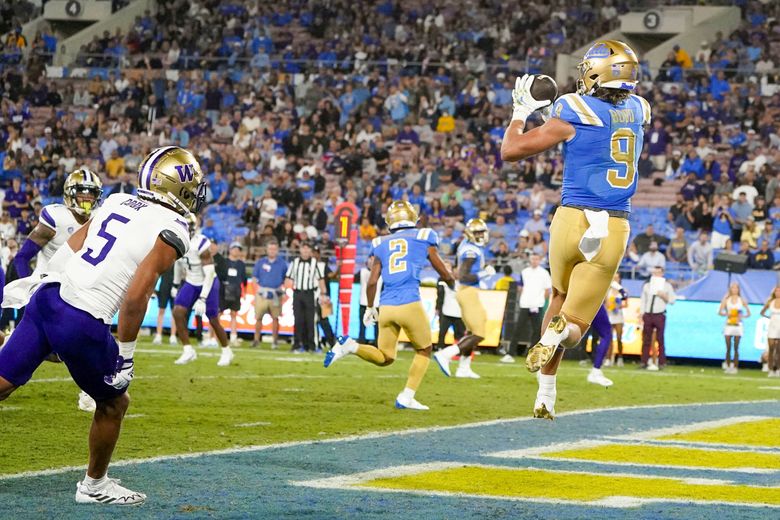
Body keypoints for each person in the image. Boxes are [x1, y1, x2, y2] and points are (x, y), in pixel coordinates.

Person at [0, 145, 203, 505]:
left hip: (48, 296)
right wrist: (126, 355)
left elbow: (74, 245)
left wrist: (44, 281)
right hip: (82, 315)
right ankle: (94, 486)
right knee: (113, 403)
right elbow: (136, 297)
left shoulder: (118, 200)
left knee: (3, 382)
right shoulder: (174, 226)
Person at [500, 39, 649, 418]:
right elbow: (603, 120)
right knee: (576, 326)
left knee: (558, 296)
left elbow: (512, 151)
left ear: (596, 71)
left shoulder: (571, 108)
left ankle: (545, 393)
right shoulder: (639, 109)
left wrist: (521, 112)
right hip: (613, 224)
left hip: (571, 217)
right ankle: (551, 366)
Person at [324, 200, 455, 410]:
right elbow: (438, 265)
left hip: (386, 307)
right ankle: (406, 396)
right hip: (410, 302)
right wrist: (451, 282)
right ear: (412, 217)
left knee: (385, 357)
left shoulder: (380, 242)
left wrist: (369, 307)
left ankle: (351, 346)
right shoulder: (423, 236)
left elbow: (373, 280)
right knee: (424, 350)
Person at [10, 168, 104, 413]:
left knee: (83, 344)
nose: (87, 200)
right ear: (69, 195)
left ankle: (90, 392)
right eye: (82, 194)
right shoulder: (56, 219)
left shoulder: (101, 221)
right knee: (41, 355)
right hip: (47, 294)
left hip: (78, 295)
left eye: (91, 195)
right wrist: (31, 286)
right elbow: (21, 258)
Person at [434, 218, 493, 379]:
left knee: (473, 330)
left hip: (466, 292)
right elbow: (464, 276)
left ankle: (464, 368)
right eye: (477, 232)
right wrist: (485, 272)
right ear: (470, 233)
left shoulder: (467, 246)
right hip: (468, 291)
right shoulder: (471, 251)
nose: (481, 235)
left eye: (482, 232)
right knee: (479, 333)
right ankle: (445, 354)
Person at [172, 221, 234, 366]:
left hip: (209, 282)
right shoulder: (176, 240)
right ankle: (188, 350)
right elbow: (178, 263)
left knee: (213, 319)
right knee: (178, 312)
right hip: (191, 281)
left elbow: (210, 272)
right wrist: (175, 284)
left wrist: (202, 298)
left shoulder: (201, 243)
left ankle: (226, 350)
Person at [505, 253, 551, 363]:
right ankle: (510, 353)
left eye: (536, 259)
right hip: (525, 304)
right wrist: (525, 297)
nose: (534, 261)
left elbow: (547, 290)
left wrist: (540, 301)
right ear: (530, 260)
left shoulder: (544, 273)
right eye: (533, 259)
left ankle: (532, 353)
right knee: (518, 329)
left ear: (540, 260)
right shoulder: (524, 272)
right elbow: (520, 287)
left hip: (537, 305)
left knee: (537, 331)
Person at [286, 242, 329, 352]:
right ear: (300, 250)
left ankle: (312, 345)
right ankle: (297, 344)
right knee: (298, 320)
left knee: (311, 321)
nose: (305, 251)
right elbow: (288, 278)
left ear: (310, 251)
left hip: (310, 294)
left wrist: (323, 294)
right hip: (298, 293)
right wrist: (287, 291)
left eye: (307, 249)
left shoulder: (315, 263)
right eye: (303, 249)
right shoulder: (294, 262)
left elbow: (321, 279)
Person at [251, 240, 287, 349]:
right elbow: (254, 278)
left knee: (276, 318)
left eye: (274, 249)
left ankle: (275, 341)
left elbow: (286, 279)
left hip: (276, 292)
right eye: (270, 249)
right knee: (258, 318)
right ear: (267, 250)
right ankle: (256, 340)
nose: (272, 251)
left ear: (277, 250)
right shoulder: (260, 262)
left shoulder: (282, 263)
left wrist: (282, 290)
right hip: (262, 292)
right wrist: (257, 291)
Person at [640, 266, 676, 371]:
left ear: (662, 274)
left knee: (660, 339)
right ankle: (644, 361)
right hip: (648, 314)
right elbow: (643, 300)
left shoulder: (667, 286)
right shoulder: (647, 286)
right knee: (646, 339)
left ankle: (662, 362)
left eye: (658, 273)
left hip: (659, 314)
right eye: (654, 273)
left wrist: (664, 296)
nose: (656, 275)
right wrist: (642, 313)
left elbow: (672, 301)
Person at [718, 282, 750, 374]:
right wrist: (727, 314)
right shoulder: (726, 300)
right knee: (728, 347)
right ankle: (728, 366)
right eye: (733, 288)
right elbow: (720, 312)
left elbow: (748, 313)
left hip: (738, 325)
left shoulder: (741, 300)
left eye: (736, 288)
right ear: (730, 289)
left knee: (736, 347)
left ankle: (735, 367)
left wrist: (741, 317)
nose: (734, 290)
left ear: (738, 290)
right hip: (728, 325)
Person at [435, 261, 465, 352]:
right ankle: (440, 349)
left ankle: (457, 351)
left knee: (459, 334)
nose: (457, 273)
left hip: (459, 312)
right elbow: (440, 295)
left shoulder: (464, 283)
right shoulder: (445, 281)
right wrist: (438, 307)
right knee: (442, 332)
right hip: (446, 311)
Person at [223, 242, 247, 346]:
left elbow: (244, 279)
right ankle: (214, 336)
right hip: (223, 290)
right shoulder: (224, 262)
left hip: (236, 291)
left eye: (238, 249)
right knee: (218, 314)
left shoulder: (241, 264)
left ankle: (233, 337)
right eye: (235, 248)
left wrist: (244, 292)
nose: (236, 251)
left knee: (234, 314)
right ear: (230, 249)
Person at [586, 305, 614, 387]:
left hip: (573, 300)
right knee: (606, 334)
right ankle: (596, 370)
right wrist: (621, 291)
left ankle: (548, 374)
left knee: (564, 330)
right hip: (592, 301)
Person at [357, 256, 382, 344]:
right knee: (362, 325)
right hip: (364, 302)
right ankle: (362, 342)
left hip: (376, 303)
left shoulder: (381, 274)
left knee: (377, 326)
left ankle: (377, 343)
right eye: (370, 260)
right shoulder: (362, 272)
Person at [152, 265, 178, 347]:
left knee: (174, 312)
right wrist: (155, 289)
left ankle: (173, 336)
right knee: (161, 310)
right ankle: (158, 335)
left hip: (175, 285)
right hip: (164, 285)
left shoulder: (180, 257)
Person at [606, 274, 628, 367]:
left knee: (619, 338)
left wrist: (618, 306)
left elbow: (626, 303)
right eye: (613, 277)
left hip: (618, 317)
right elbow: (605, 303)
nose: (615, 279)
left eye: (617, 278)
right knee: (609, 339)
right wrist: (609, 306)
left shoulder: (622, 290)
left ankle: (620, 357)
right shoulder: (608, 290)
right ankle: (608, 358)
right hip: (609, 316)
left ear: (619, 279)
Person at [760, 286, 780, 378]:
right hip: (772, 327)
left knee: (778, 350)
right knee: (771, 349)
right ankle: (771, 369)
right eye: (776, 291)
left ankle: (778, 369)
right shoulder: (770, 302)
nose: (778, 293)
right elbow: (762, 312)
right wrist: (770, 318)